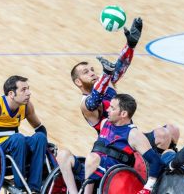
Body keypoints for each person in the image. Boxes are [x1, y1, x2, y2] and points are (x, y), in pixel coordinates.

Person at [57, 17, 143, 193]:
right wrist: (105, 75)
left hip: (131, 139)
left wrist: (130, 45)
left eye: (92, 70)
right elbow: (94, 100)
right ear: (78, 82)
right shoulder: (85, 103)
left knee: (166, 133)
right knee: (62, 154)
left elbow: (120, 67)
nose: (92, 73)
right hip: (110, 149)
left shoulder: (108, 84)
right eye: (86, 72)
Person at [84, 94, 163, 194]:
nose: (107, 110)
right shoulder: (105, 123)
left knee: (92, 158)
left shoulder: (133, 134)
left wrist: (148, 188)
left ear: (123, 114)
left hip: (113, 177)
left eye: (112, 108)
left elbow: (156, 161)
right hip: (93, 170)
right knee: (64, 155)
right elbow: (87, 107)